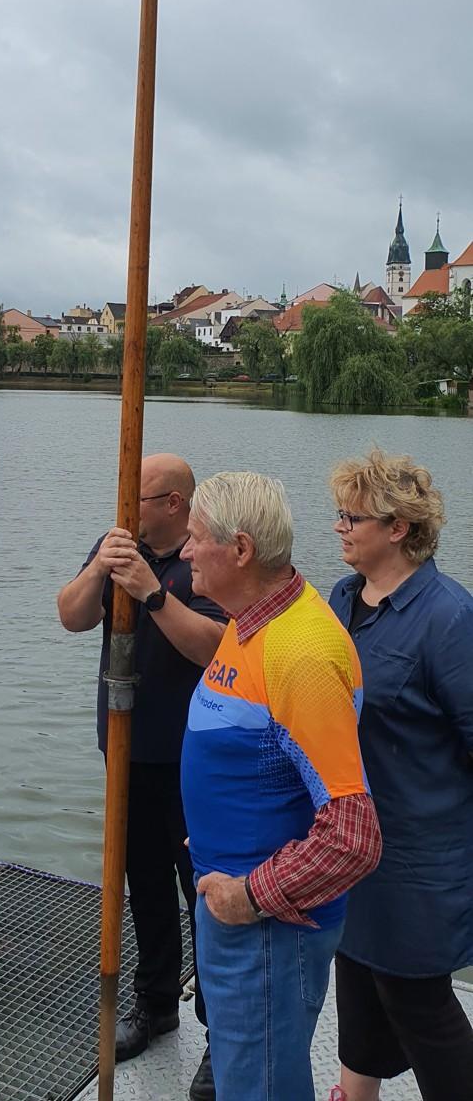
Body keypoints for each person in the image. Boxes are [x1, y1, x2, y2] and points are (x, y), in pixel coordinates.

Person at [179, 470, 382, 1101]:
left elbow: (353, 837)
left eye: (195, 537)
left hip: (267, 929)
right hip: (234, 903)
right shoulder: (250, 622)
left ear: (240, 549)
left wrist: (249, 895)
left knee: (260, 1087)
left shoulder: (300, 653)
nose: (184, 551)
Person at [57, 453, 227, 1101]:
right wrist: (102, 569)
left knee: (204, 895)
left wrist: (152, 593)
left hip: (194, 760)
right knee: (143, 885)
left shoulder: (205, 554)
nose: (125, 508)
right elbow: (72, 616)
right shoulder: (117, 545)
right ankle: (155, 1004)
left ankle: (219, 1031)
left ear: (175, 504)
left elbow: (214, 647)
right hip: (126, 751)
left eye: (140, 497)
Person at [327, 448, 473, 1101]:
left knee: (417, 999)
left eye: (352, 518)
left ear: (398, 528)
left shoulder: (448, 617)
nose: (340, 528)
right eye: (339, 515)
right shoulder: (342, 598)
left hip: (418, 852)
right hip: (353, 837)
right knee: (357, 977)